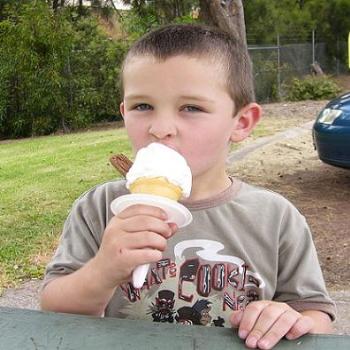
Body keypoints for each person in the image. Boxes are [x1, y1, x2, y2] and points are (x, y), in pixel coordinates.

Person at [41, 24, 335, 349]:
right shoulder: (99, 207)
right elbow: (53, 309)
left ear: (241, 123)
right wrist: (102, 271)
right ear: (124, 113)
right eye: (142, 106)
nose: (160, 128)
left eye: (191, 108)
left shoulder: (275, 217)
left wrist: (289, 319)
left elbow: (315, 315)